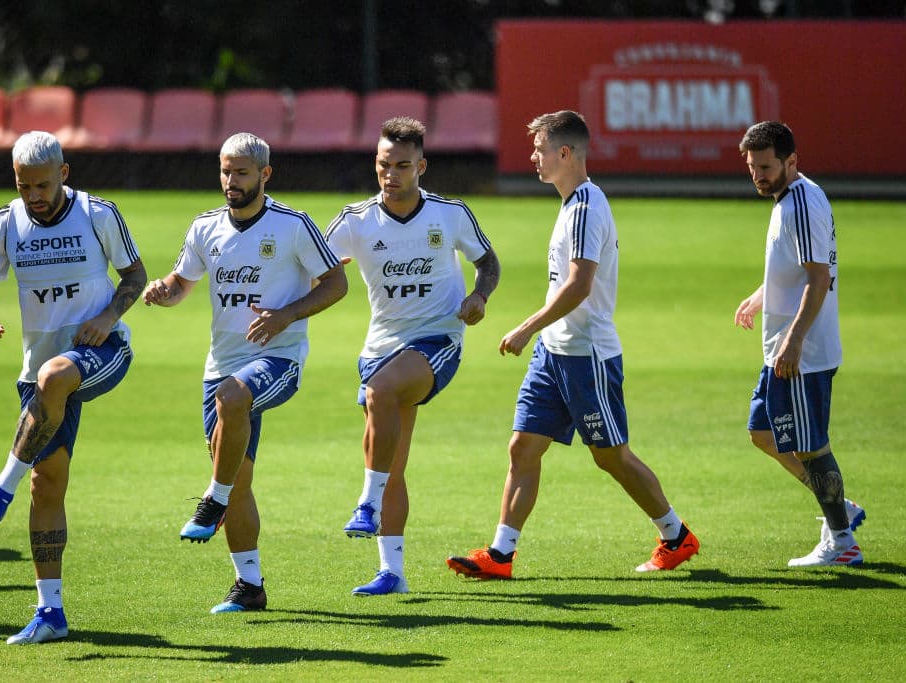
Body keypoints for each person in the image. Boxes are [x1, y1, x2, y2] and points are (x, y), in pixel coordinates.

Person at [447, 110, 699, 580]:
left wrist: (526, 327)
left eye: (540, 149)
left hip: (588, 355)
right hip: (554, 352)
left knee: (611, 456)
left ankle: (675, 535)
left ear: (565, 153)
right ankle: (501, 555)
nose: (533, 157)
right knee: (522, 448)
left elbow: (580, 285)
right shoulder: (570, 205)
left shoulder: (585, 207)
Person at [142, 132, 347, 612]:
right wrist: (162, 291)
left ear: (264, 175)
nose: (230, 181)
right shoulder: (205, 227)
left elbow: (336, 283)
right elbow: (181, 281)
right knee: (239, 476)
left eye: (240, 173)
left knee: (234, 405)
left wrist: (286, 316)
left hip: (279, 360)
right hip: (221, 365)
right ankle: (249, 587)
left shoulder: (294, 225)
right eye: (225, 171)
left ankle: (211, 500)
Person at [0, 131, 147, 644]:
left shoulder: (97, 214)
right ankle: (51, 613)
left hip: (103, 352)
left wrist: (110, 316)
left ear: (64, 174)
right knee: (47, 484)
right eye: (24, 186)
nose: (33, 195)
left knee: (54, 376)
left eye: (42, 184)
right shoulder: (5, 223)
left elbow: (134, 274)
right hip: (39, 365)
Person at [324, 117, 500, 596]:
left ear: (421, 166)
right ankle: (392, 572)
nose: (391, 174)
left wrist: (480, 297)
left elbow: (487, 261)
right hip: (379, 345)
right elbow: (314, 266)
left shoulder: (449, 214)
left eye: (403, 165)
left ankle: (365, 502)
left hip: (437, 341)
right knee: (391, 463)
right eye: (384, 164)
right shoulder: (356, 221)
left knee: (382, 392)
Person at [733, 121, 864, 567]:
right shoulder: (785, 198)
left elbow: (817, 277)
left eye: (766, 166)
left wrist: (793, 342)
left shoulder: (803, 203)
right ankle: (840, 507)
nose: (758, 175)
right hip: (782, 351)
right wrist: (760, 295)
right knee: (763, 432)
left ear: (792, 161)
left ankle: (842, 541)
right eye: (752, 167)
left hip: (801, 354)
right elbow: (791, 268)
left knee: (810, 445)